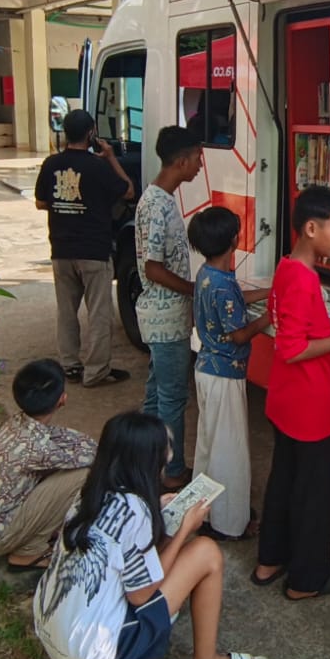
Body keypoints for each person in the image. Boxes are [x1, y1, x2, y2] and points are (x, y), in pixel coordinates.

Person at [34, 410, 272, 659]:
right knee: (206, 552)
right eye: (164, 454)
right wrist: (185, 529)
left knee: (176, 554)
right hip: (89, 657)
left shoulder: (90, 492)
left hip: (53, 631)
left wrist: (158, 510)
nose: (168, 459)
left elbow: (121, 547)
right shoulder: (134, 511)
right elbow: (141, 596)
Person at [251, 185, 330, 600]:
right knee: (313, 495)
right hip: (309, 406)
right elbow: (292, 348)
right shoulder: (304, 280)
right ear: (310, 228)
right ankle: (307, 581)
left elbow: (297, 323)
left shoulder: (290, 268)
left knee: (285, 481)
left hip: (286, 402)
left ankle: (270, 560)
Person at [187, 206, 271, 541]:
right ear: (234, 240)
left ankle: (205, 513)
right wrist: (269, 317)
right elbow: (239, 333)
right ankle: (229, 523)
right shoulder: (222, 284)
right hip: (225, 374)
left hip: (207, 368)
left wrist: (269, 293)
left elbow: (236, 300)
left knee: (209, 446)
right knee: (230, 451)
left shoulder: (210, 275)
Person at [0, 359, 98, 571]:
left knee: (65, 470)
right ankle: (29, 552)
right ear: (62, 400)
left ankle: (38, 532)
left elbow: (71, 440)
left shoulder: (17, 423)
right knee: (83, 475)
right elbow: (91, 456)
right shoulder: (38, 448)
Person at [34, 110, 134, 388]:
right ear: (91, 133)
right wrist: (111, 157)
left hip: (61, 250)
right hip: (94, 251)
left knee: (66, 311)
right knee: (99, 313)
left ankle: (69, 365)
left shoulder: (51, 163)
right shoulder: (98, 166)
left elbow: (41, 203)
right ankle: (96, 372)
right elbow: (128, 191)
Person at [135, 126, 205, 488]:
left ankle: (145, 461)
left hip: (161, 318)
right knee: (173, 398)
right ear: (181, 160)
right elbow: (153, 267)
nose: (199, 164)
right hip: (166, 319)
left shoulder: (159, 198)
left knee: (156, 394)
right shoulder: (157, 204)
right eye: (196, 157)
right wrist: (194, 289)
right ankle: (173, 472)